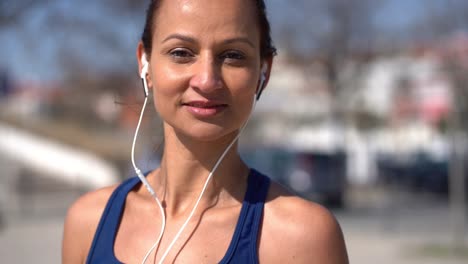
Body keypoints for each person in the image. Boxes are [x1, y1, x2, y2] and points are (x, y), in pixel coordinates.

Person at [62, 0, 349, 263]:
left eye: (233, 55)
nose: (207, 80)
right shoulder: (89, 221)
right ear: (145, 63)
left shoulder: (302, 237)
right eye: (181, 53)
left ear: (264, 71)